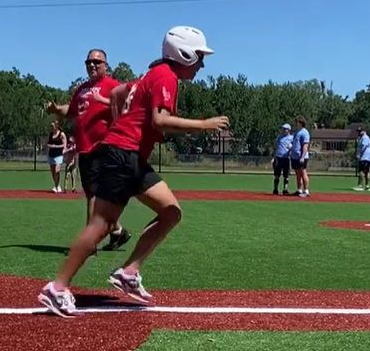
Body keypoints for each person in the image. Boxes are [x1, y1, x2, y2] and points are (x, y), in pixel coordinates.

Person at [38, 26, 229, 318]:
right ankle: (57, 288)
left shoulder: (154, 74)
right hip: (122, 155)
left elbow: (117, 92)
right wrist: (204, 125)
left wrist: (119, 121)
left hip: (130, 155)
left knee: (171, 212)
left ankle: (128, 272)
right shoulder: (166, 76)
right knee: (101, 225)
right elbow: (160, 120)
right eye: (199, 57)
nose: (201, 64)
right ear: (184, 54)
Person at [46, 48, 130, 250]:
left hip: (105, 147)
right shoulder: (82, 88)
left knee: (94, 195)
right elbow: (71, 110)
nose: (92, 65)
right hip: (85, 148)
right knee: (96, 196)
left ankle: (89, 242)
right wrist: (57, 109)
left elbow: (127, 109)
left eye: (97, 62)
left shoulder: (113, 86)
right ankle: (117, 231)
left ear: (105, 65)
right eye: (88, 62)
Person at [291, 116, 311, 197]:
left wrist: (302, 157)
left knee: (303, 173)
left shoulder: (304, 132)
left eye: (297, 122)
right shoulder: (297, 132)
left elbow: (305, 146)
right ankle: (299, 189)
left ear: (301, 123)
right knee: (298, 173)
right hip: (295, 156)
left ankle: (306, 191)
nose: (296, 124)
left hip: (301, 156)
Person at [45, 121, 68, 193]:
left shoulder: (61, 134)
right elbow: (46, 143)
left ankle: (56, 186)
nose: (51, 127)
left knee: (57, 170)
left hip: (59, 154)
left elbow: (64, 145)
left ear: (56, 126)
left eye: (52, 126)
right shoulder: (50, 134)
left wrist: (56, 146)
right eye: (51, 126)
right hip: (51, 154)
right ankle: (57, 185)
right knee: (53, 172)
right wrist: (50, 146)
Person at [272, 123, 294, 195]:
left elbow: (295, 146)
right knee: (277, 174)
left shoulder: (292, 137)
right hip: (278, 157)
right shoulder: (279, 137)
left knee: (286, 175)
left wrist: (291, 147)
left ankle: (285, 189)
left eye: (285, 129)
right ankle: (275, 189)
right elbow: (276, 147)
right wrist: (274, 157)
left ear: (289, 130)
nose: (284, 130)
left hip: (286, 158)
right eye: (283, 129)